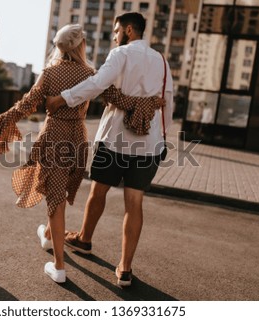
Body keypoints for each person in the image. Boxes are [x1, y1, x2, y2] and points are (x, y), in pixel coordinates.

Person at [0, 24, 164, 283]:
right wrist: (152, 102)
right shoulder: (91, 74)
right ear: (81, 46)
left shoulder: (49, 74)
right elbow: (121, 100)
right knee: (59, 192)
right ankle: (48, 236)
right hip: (78, 140)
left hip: (55, 136)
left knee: (54, 199)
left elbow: (25, 105)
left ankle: (58, 267)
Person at [46, 12, 174, 287]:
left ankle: (84, 239)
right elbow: (168, 103)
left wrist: (63, 98)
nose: (114, 36)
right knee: (135, 202)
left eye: (116, 31)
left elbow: (96, 84)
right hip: (149, 144)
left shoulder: (120, 55)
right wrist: (163, 139)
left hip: (115, 138)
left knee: (98, 191)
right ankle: (125, 269)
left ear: (129, 30)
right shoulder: (162, 62)